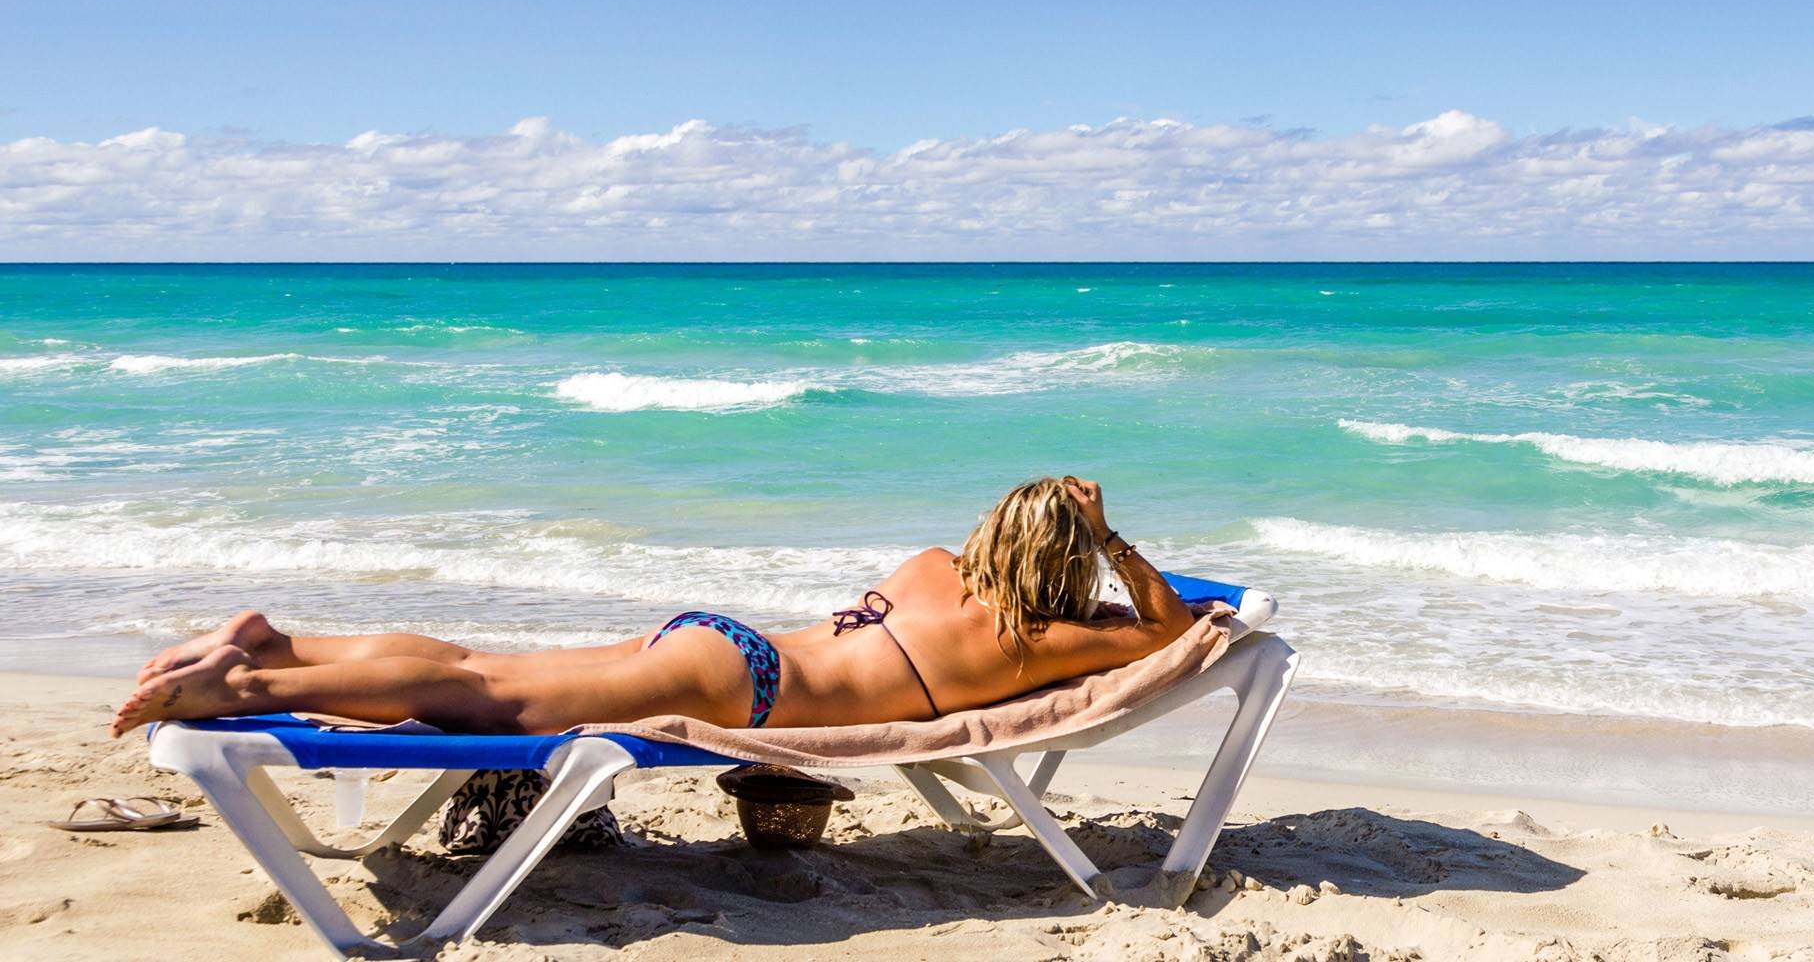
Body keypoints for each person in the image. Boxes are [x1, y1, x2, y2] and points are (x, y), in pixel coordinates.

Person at [112, 476, 1195, 737]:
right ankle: (240, 685)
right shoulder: (1032, 640)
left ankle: (278, 643)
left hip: (724, 642)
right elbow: (1174, 629)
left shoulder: (928, 566)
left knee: (483, 664)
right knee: (490, 700)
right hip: (744, 690)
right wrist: (1110, 539)